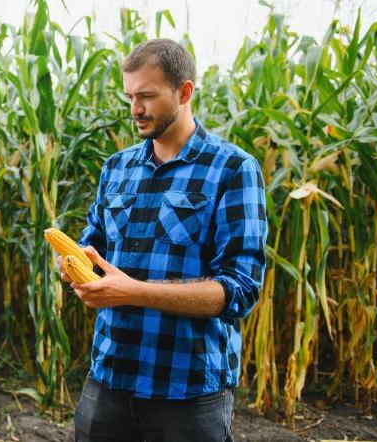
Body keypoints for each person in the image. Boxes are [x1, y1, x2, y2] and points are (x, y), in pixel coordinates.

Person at [63, 39, 268, 441]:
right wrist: (72, 267)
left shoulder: (232, 169)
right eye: (130, 96)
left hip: (188, 391)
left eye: (147, 96)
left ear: (185, 92)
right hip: (108, 379)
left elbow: (240, 290)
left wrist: (134, 291)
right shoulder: (117, 168)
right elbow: (93, 245)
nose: (135, 109)